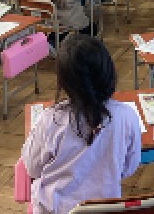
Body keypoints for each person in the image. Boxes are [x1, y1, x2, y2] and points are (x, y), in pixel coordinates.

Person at [21, 34, 141, 214]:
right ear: (109, 73)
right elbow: (129, 167)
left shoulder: (50, 119)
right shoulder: (127, 116)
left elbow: (32, 167)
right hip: (105, 210)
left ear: (64, 82)